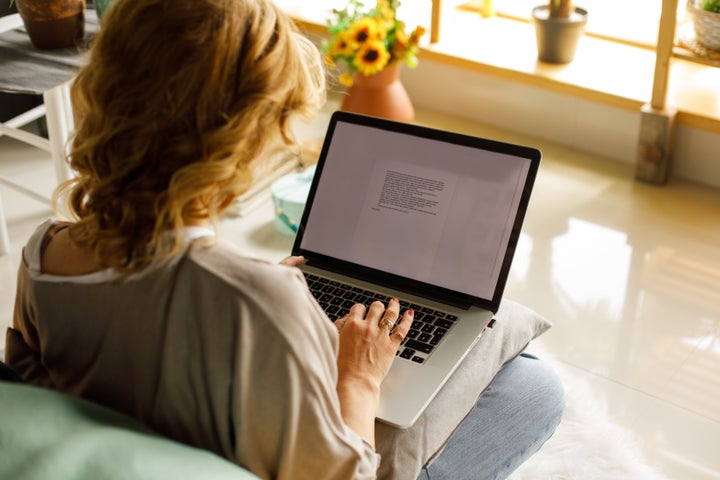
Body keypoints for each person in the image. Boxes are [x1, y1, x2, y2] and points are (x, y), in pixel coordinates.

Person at [6, 0, 564, 478]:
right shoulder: (263, 305)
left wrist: (240, 284)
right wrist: (358, 377)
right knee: (534, 389)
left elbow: (37, 395)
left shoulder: (43, 254)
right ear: (243, 140)